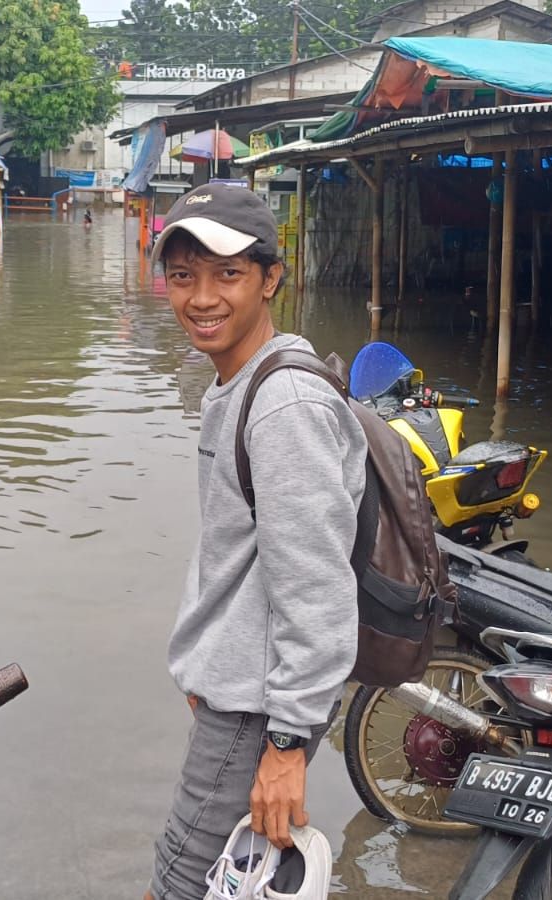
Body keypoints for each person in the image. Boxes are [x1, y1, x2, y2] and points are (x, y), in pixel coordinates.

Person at [147, 184, 366, 900]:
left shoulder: (283, 407)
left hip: (258, 711)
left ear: (272, 277)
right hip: (237, 695)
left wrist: (284, 745)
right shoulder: (237, 384)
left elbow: (317, 592)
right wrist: (206, 671)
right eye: (183, 275)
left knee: (177, 885)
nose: (202, 298)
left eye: (228, 274)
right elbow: (235, 557)